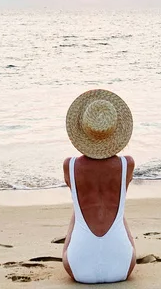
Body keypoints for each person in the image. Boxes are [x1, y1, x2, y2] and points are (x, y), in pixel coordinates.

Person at [62, 89, 136, 284]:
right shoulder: (126, 164)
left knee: (78, 209)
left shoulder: (69, 165)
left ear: (82, 129)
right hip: (122, 266)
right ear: (116, 130)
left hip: (79, 269)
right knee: (118, 210)